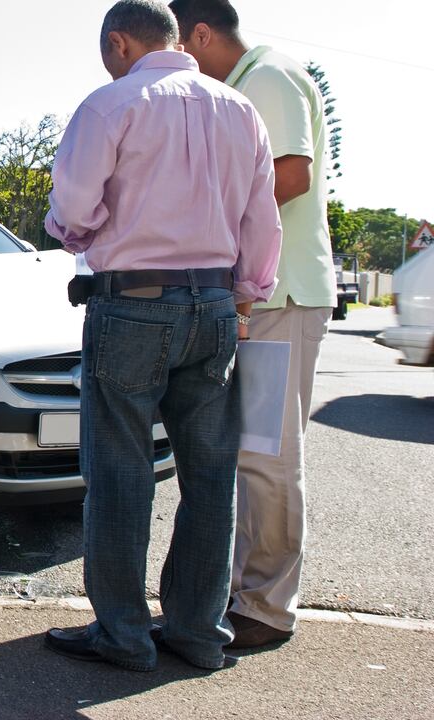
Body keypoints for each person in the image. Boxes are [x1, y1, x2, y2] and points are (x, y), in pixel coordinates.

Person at [41, 0, 282, 672]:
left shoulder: (112, 104)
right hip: (214, 306)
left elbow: (74, 210)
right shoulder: (238, 109)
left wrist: (75, 232)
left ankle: (122, 635)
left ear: (120, 43)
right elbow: (263, 220)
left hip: (133, 304)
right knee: (210, 475)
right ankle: (197, 632)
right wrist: (244, 295)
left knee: (120, 474)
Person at [170, 0, 338, 650]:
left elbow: (291, 175)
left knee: (268, 457)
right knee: (251, 455)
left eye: (179, 50)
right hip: (260, 299)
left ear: (202, 35)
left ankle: (267, 609)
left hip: (283, 296)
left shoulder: (268, 77)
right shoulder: (242, 87)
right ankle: (245, 594)